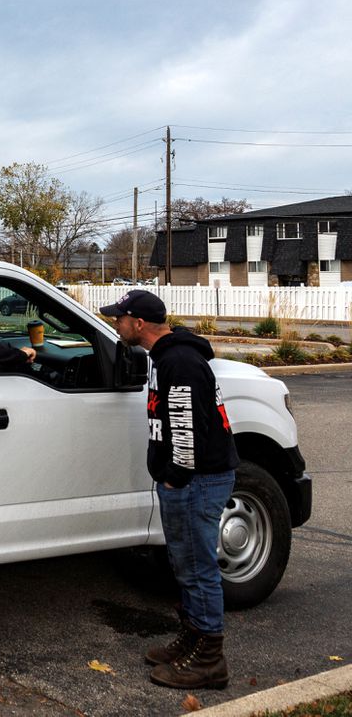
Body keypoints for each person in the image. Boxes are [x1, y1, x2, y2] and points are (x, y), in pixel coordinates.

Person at [101, 289, 238, 690]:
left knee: (198, 570)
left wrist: (175, 475)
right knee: (186, 567)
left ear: (138, 323)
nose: (115, 324)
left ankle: (210, 659)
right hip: (189, 480)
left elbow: (187, 423)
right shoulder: (164, 357)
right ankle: (193, 639)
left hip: (197, 481)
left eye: (119, 318)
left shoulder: (179, 361)